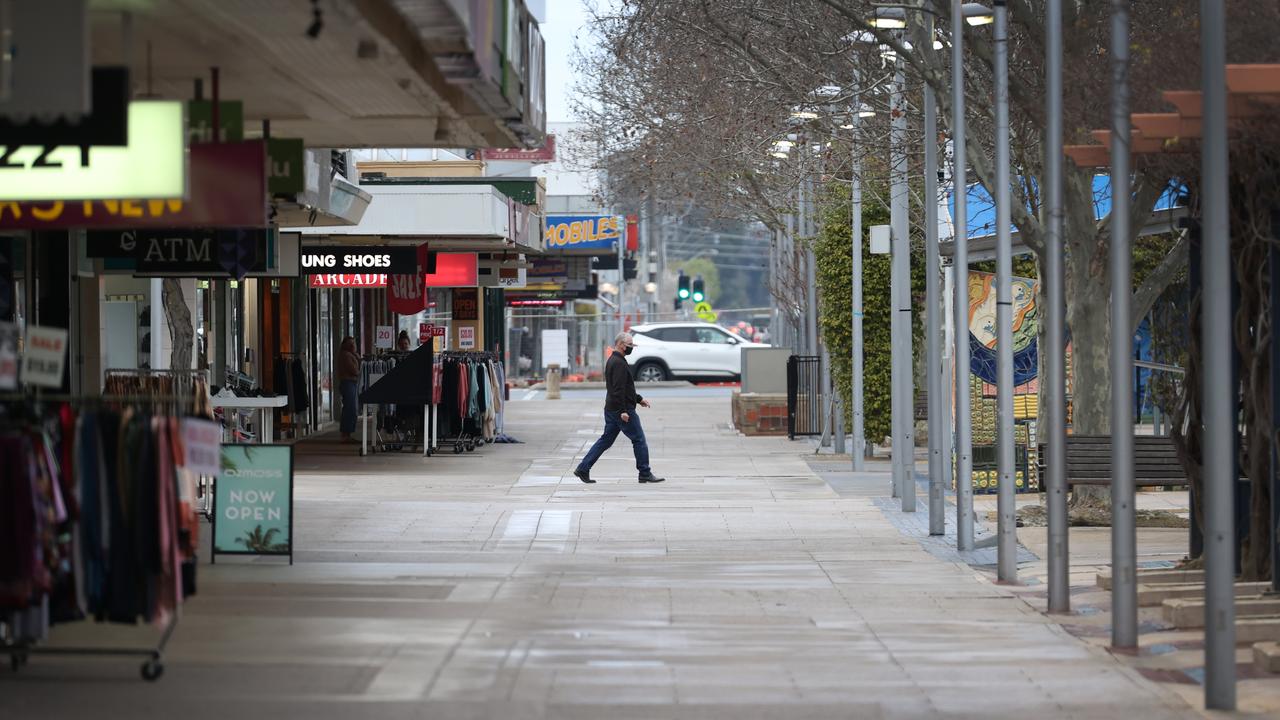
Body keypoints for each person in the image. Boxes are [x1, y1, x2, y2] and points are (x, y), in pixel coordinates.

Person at [573, 332, 665, 484]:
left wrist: (638, 399)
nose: (631, 348)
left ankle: (583, 468)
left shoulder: (615, 360)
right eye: (630, 346)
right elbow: (618, 390)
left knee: (606, 440)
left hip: (612, 408)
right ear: (621, 345)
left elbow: (625, 388)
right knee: (639, 439)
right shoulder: (618, 363)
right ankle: (645, 472)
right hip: (621, 410)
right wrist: (623, 411)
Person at [337, 336, 360, 442]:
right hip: (348, 383)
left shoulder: (351, 355)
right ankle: (345, 434)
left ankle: (347, 434)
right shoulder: (346, 355)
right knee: (350, 408)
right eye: (350, 343)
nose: (352, 345)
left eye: (353, 343)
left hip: (350, 383)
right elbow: (354, 370)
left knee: (351, 408)